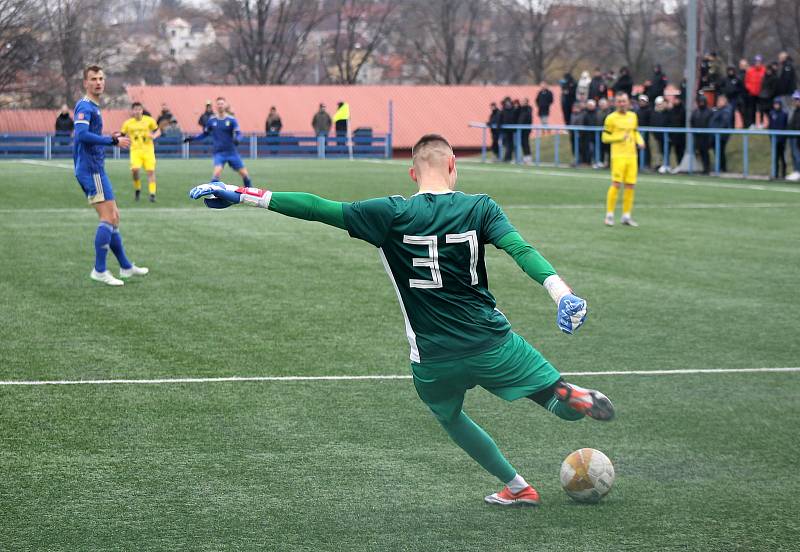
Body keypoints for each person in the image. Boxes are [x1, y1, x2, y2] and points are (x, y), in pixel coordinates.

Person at [188, 133, 615, 507]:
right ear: (453, 165)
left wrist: (240, 194)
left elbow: (317, 207)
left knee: (450, 417)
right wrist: (561, 293)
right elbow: (520, 249)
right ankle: (569, 395)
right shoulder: (480, 208)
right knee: (556, 402)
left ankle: (518, 487)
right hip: (492, 343)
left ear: (413, 174)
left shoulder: (389, 214)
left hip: (432, 356)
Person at [73, 65, 148, 286]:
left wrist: (109, 137)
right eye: (93, 79)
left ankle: (125, 266)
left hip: (97, 168)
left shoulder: (95, 107)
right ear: (85, 83)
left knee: (115, 217)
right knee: (107, 218)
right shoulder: (85, 106)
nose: (98, 82)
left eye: (101, 78)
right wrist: (112, 140)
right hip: (90, 169)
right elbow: (82, 134)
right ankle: (99, 270)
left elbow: (91, 135)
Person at [184, 96, 252, 187]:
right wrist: (192, 138)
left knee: (245, 175)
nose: (220, 105)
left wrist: (238, 139)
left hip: (232, 152)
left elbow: (239, 133)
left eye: (222, 104)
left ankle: (250, 193)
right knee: (216, 174)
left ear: (225, 105)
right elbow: (204, 134)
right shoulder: (212, 120)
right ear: (216, 106)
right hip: (219, 153)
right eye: (218, 104)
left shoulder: (231, 120)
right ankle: (213, 196)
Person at [602, 92, 645, 227]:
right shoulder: (611, 118)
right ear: (615, 103)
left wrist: (640, 140)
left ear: (628, 102)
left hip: (632, 156)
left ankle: (626, 216)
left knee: (630, 185)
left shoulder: (633, 116)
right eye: (619, 101)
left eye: (624, 101)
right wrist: (619, 138)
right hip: (618, 156)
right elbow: (605, 138)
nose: (622, 104)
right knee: (616, 184)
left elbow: (635, 131)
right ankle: (609, 215)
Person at [120, 102, 160, 202]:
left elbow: (158, 131)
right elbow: (121, 135)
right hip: (135, 151)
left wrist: (154, 136)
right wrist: (121, 140)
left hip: (148, 151)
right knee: (135, 170)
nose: (137, 111)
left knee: (150, 171)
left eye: (139, 109)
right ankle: (137, 189)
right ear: (132, 111)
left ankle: (152, 194)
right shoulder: (128, 123)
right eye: (135, 109)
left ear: (142, 110)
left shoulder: (149, 120)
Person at [709, 95, 734, 173]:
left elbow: (724, 123)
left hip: (721, 135)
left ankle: (722, 168)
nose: (718, 103)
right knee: (718, 151)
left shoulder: (726, 111)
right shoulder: (718, 110)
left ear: (724, 101)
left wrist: (716, 130)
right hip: (716, 135)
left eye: (720, 101)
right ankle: (720, 167)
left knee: (720, 151)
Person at [690, 95, 713, 175]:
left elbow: (711, 124)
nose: (701, 103)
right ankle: (703, 168)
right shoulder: (695, 112)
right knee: (700, 152)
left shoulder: (709, 112)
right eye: (700, 102)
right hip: (697, 136)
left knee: (705, 153)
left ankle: (707, 168)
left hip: (706, 136)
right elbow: (692, 122)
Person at [768, 98, 788, 179]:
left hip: (782, 140)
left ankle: (783, 174)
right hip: (774, 139)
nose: (776, 106)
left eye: (778, 104)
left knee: (782, 157)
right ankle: (775, 174)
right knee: (775, 158)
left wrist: (783, 138)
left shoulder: (784, 114)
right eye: (775, 104)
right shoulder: (772, 113)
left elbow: (785, 126)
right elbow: (770, 126)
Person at [744, 56, 765, 128]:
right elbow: (747, 81)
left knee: (761, 108)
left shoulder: (764, 70)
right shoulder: (750, 71)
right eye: (756, 62)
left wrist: (763, 90)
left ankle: (761, 123)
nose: (757, 63)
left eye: (759, 62)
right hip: (752, 93)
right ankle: (752, 123)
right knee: (752, 109)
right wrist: (750, 89)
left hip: (761, 93)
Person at [635, 95, 653, 169]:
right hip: (638, 132)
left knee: (647, 148)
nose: (641, 102)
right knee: (638, 148)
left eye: (643, 101)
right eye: (640, 101)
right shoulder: (637, 111)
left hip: (647, 132)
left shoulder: (649, 111)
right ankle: (639, 163)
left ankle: (646, 164)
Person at [787, 91, 800, 181]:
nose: (795, 101)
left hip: (797, 136)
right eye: (794, 99)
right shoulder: (794, 110)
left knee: (797, 154)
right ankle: (796, 171)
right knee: (794, 154)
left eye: (797, 99)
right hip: (792, 135)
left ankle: (798, 171)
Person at [499, 97, 516, 163]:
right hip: (504, 131)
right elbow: (499, 120)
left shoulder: (513, 110)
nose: (508, 103)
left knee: (510, 145)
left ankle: (508, 158)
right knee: (505, 144)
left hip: (511, 131)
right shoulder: (503, 110)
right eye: (506, 102)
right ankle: (506, 158)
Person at [518, 98, 533, 164]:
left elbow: (527, 119)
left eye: (523, 101)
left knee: (525, 143)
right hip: (521, 129)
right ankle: (525, 157)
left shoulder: (528, 109)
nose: (522, 103)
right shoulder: (520, 109)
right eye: (521, 101)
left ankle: (528, 158)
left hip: (526, 129)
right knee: (522, 143)